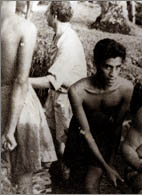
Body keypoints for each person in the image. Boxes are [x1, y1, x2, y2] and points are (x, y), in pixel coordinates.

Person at [63, 38, 134, 193]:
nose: (113, 74)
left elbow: (116, 128)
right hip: (80, 137)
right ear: (95, 63)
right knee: (74, 184)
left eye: (118, 67)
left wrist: (109, 162)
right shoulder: (77, 91)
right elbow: (86, 132)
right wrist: (107, 167)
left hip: (104, 138)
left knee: (90, 187)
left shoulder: (126, 89)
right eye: (107, 67)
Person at [1, 1, 57, 193]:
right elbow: (20, 81)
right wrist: (10, 129)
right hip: (17, 105)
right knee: (23, 177)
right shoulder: (24, 27)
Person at [29, 1, 87, 161]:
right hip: (57, 94)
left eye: (47, 12)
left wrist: (23, 81)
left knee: (64, 146)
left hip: (67, 98)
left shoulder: (69, 43)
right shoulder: (60, 36)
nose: (44, 15)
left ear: (54, 15)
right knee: (51, 141)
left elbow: (52, 80)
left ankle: (69, 180)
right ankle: (56, 180)